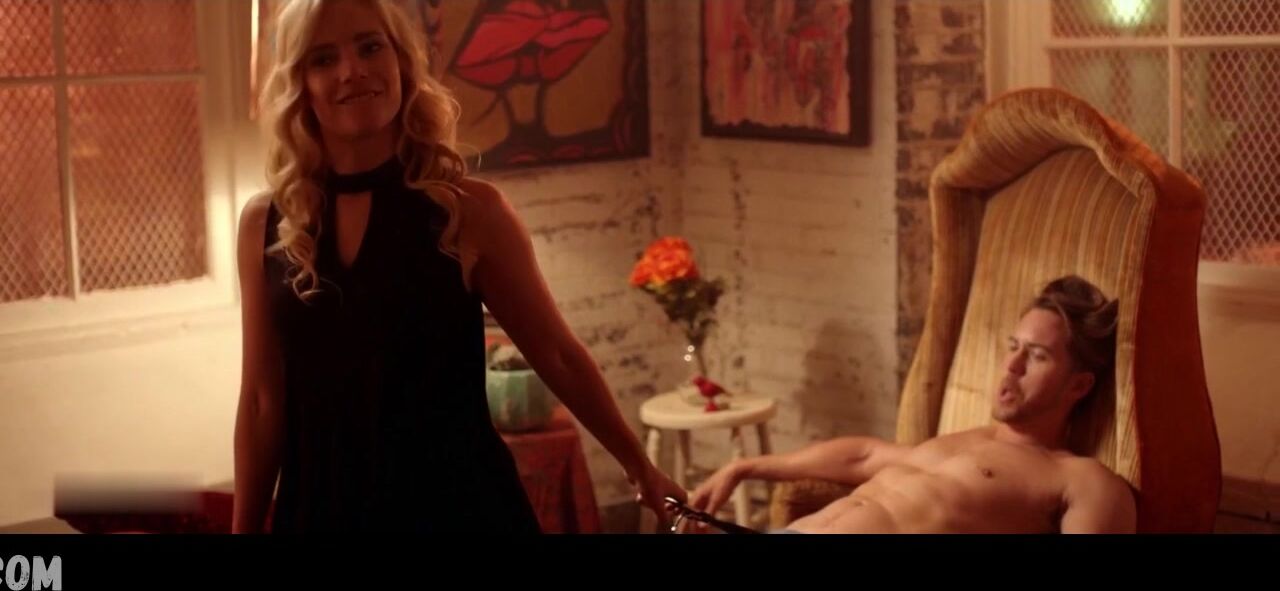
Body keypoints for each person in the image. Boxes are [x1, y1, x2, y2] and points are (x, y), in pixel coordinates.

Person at [232, 0, 683, 533]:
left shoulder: (469, 213)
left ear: (401, 62)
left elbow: (558, 355)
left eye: (370, 47)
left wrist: (637, 463)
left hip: (461, 509)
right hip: (323, 511)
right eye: (324, 58)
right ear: (300, 84)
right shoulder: (266, 224)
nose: (352, 70)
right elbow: (261, 403)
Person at [676, 276, 1136, 534]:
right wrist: (744, 468)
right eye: (1012, 346)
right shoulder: (959, 444)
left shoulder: (1078, 479)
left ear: (1079, 385)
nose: (1011, 365)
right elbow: (863, 456)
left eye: (1036, 356)